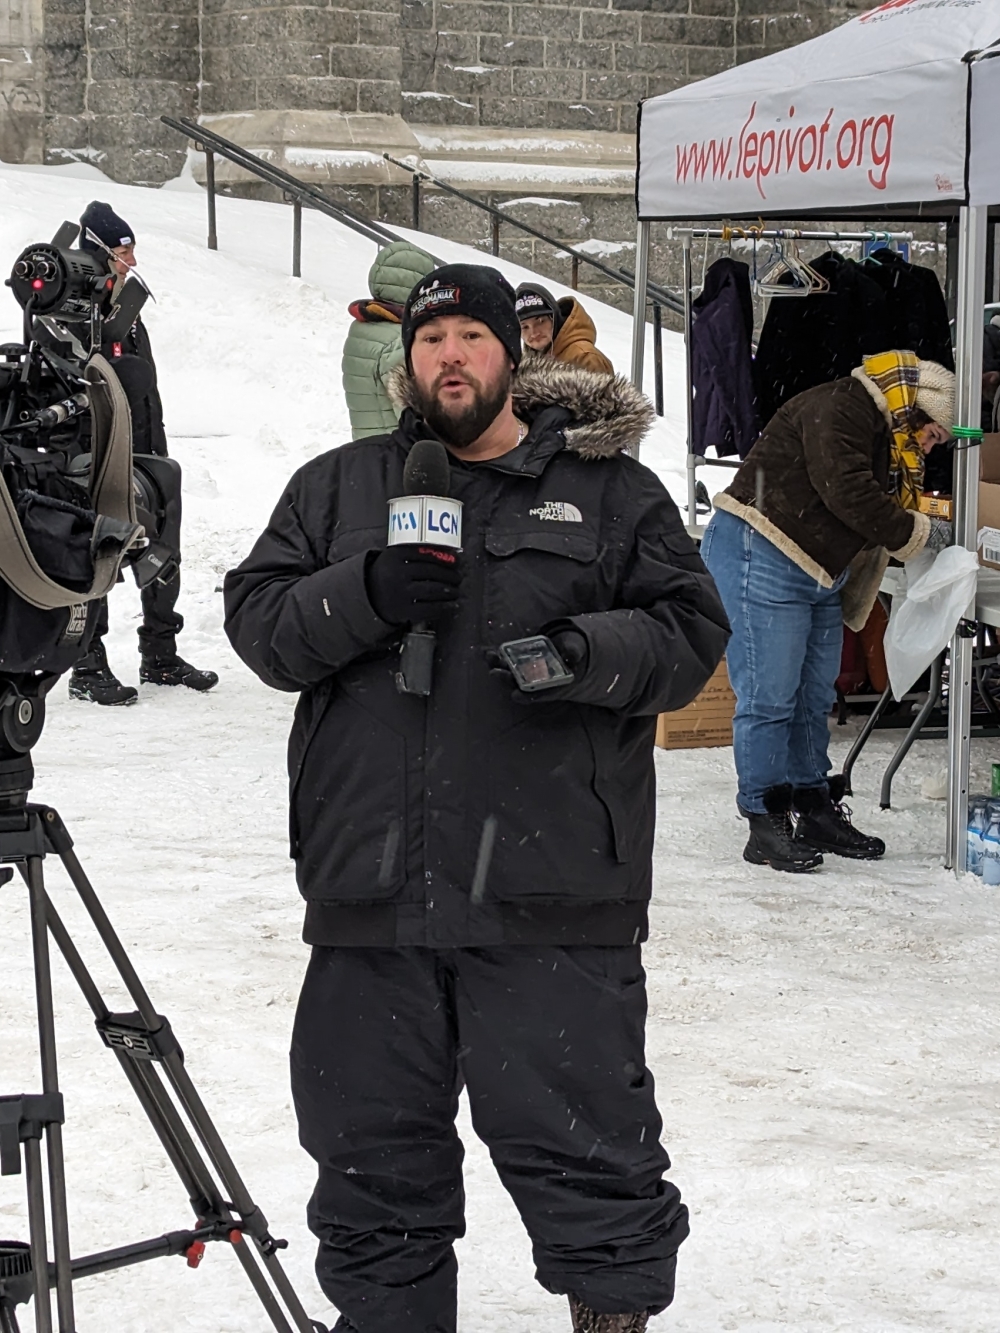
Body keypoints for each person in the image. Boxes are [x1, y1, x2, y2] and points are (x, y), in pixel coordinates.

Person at [224, 263, 730, 1333]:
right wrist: (361, 592)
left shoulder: (608, 492)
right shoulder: (336, 488)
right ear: (407, 362)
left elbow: (689, 637)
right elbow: (260, 627)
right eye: (428, 340)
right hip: (371, 888)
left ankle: (611, 1317)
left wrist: (583, 649)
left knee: (585, 1142)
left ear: (513, 355)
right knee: (368, 1152)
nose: (447, 356)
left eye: (470, 336)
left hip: (548, 888)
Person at [701, 351, 956, 873]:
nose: (930, 447)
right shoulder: (840, 407)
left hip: (817, 568)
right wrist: (920, 534)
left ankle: (813, 804)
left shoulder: (882, 430)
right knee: (770, 697)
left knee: (813, 695)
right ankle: (764, 818)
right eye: (932, 435)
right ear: (913, 410)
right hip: (761, 552)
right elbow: (849, 492)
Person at [67, 201, 217, 705]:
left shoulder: (128, 312)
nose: (132, 260)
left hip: (145, 448)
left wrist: (158, 448)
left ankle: (161, 652)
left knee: (164, 545)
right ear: (100, 250)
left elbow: (143, 388)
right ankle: (88, 664)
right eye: (124, 249)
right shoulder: (70, 310)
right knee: (98, 552)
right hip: (95, 452)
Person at [342, 239, 436, 438]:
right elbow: (413, 416)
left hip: (371, 449)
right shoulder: (398, 343)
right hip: (399, 454)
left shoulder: (366, 326)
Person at [515, 281, 614, 374]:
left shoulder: (585, 358)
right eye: (525, 327)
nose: (534, 332)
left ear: (554, 318)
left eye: (541, 321)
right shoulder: (525, 364)